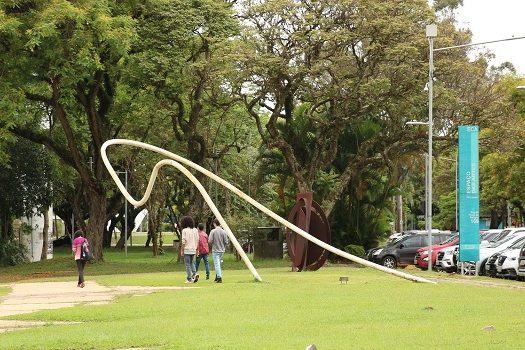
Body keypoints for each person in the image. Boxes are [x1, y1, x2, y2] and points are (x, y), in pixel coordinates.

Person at [180, 216, 200, 283]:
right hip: (193, 249)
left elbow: (183, 241)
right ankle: (195, 273)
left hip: (187, 249)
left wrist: (182, 250)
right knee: (192, 263)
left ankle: (189, 278)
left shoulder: (184, 230)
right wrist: (197, 249)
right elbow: (197, 240)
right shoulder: (195, 230)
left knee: (187, 264)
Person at [209, 218, 229, 283]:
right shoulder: (224, 231)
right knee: (218, 264)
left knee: (217, 264)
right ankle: (217, 276)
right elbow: (226, 241)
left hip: (215, 250)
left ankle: (219, 277)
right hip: (222, 250)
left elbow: (210, 241)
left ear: (214, 224)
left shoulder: (213, 231)